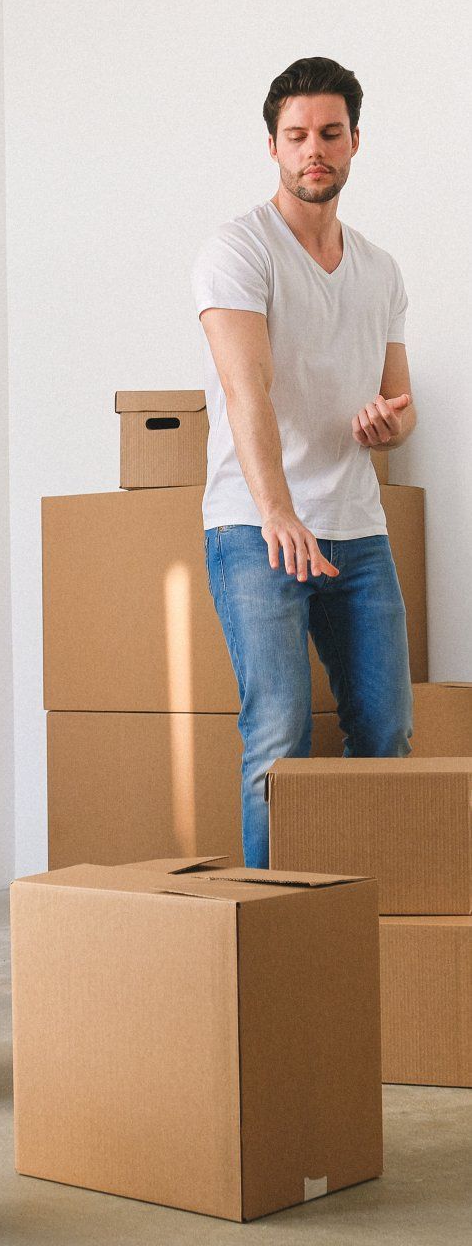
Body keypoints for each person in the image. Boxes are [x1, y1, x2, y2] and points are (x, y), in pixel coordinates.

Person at [191, 56, 416, 869]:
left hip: (356, 528)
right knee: (278, 734)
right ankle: (272, 934)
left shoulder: (380, 269)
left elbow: (398, 401)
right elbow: (245, 391)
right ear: (272, 147)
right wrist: (277, 510)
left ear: (353, 141)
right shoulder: (236, 249)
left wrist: (387, 427)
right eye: (296, 136)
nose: (311, 149)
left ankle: (370, 913)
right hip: (256, 527)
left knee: (385, 732)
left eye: (328, 133)